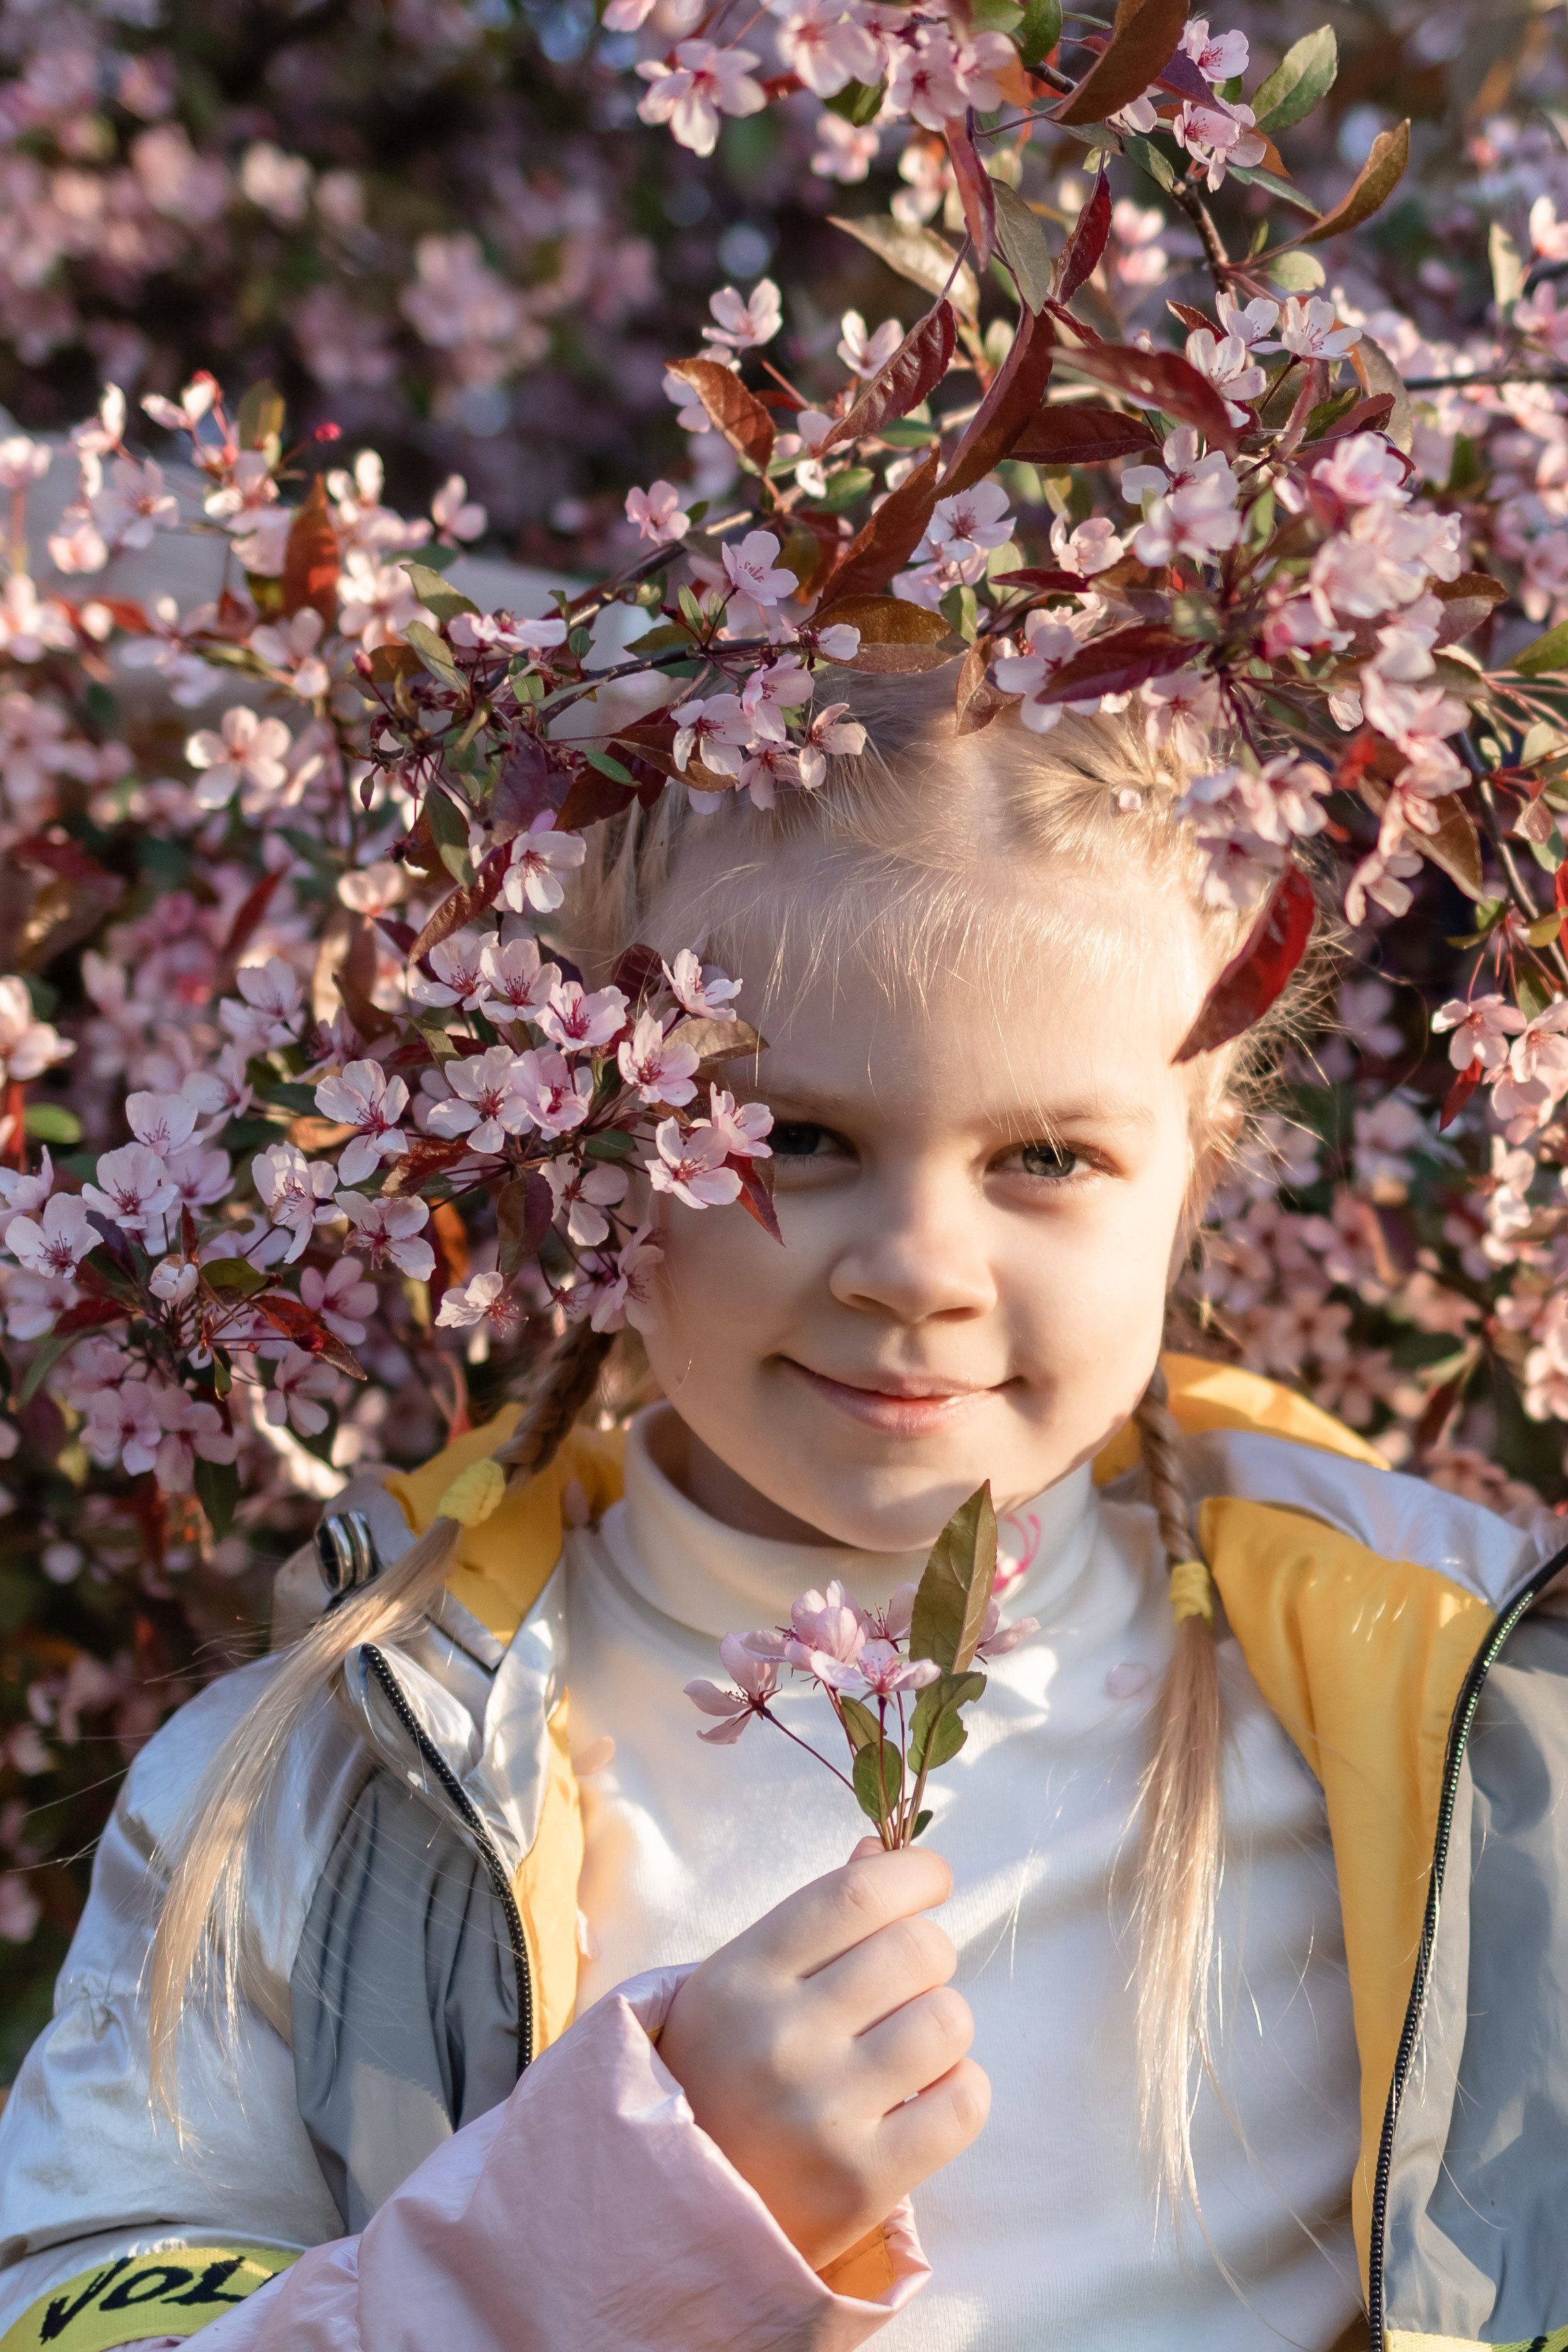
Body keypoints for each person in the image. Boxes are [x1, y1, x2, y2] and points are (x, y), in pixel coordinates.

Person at [2, 686, 1565, 2352]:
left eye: (1044, 1156)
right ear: (594, 1149)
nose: (915, 1269)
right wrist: (628, 2229)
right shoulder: (336, 1768)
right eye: (798, 1139)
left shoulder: (1473, 1704)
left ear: (1205, 1159)